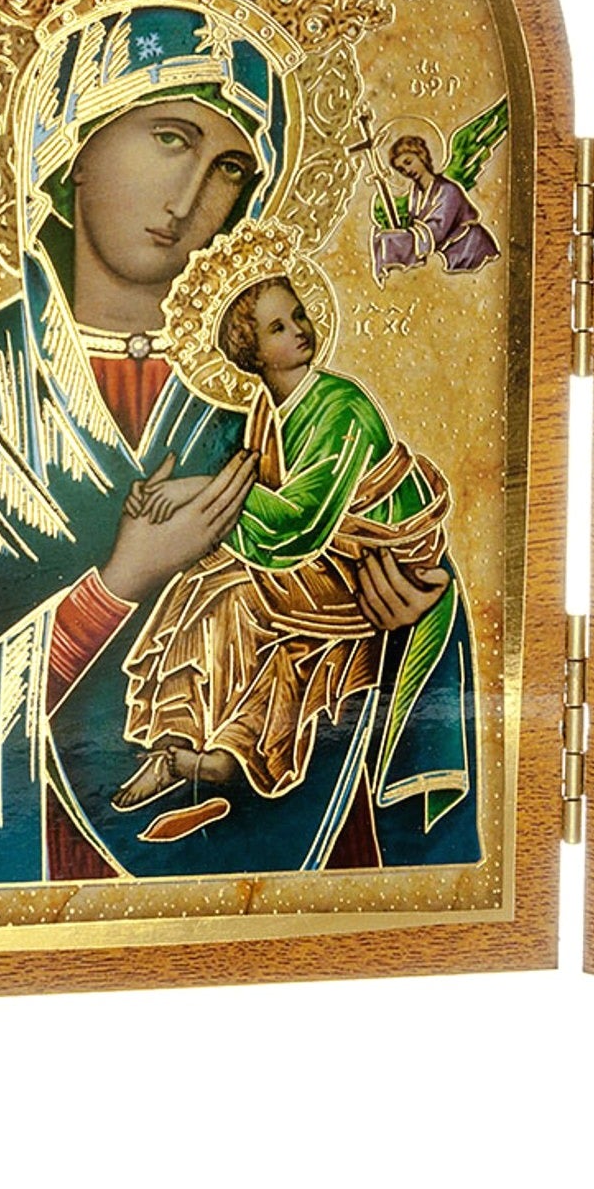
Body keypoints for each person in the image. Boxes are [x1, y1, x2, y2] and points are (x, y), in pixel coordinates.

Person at [0, 0, 476, 888]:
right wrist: (112, 587)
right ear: (70, 140)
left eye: (230, 169)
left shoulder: (279, 405)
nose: (191, 196)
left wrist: (406, 614)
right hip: (20, 919)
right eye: (170, 136)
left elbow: (392, 585)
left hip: (288, 900)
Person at [113, 231, 469, 845]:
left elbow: (301, 521)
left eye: (298, 315)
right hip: (319, 563)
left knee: (236, 596)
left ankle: (224, 752)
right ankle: (183, 748)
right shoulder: (265, 413)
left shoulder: (341, 403)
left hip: (374, 562)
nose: (299, 330)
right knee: (206, 586)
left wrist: (196, 490)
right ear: (249, 351)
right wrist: (183, 509)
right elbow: (262, 507)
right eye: (278, 327)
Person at [372, 131, 499, 279]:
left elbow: (437, 230)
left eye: (408, 162)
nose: (407, 171)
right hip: (449, 255)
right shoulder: (416, 194)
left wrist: (399, 241)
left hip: (471, 250)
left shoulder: (448, 190)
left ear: (422, 156)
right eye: (401, 169)